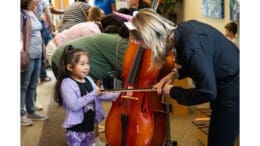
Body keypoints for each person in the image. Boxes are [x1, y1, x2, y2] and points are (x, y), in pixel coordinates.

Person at [128, 8, 239, 146]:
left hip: (234, 88)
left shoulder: (191, 47)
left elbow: (208, 92)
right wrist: (174, 74)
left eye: (144, 43)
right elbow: (197, 63)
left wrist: (172, 91)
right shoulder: (182, 30)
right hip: (226, 80)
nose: (145, 48)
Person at [53, 45, 119, 146]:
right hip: (76, 129)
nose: (87, 67)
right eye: (82, 64)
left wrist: (119, 94)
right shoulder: (67, 83)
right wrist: (94, 93)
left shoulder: (88, 79)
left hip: (89, 126)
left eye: (88, 63)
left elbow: (100, 94)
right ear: (70, 67)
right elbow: (74, 105)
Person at [51, 14, 130, 84]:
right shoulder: (120, 42)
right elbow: (126, 71)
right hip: (63, 61)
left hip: (61, 56)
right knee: (76, 96)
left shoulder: (114, 39)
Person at [21, 0, 49, 126]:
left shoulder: (33, 12)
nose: (38, 1)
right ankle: (20, 114)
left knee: (33, 84)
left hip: (37, 54)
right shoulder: (21, 14)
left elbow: (40, 33)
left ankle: (31, 111)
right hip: (28, 55)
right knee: (23, 85)